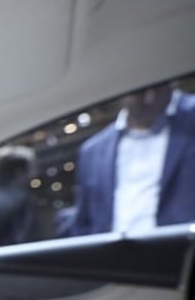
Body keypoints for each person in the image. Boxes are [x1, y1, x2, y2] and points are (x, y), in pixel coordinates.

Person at [64, 84, 195, 236]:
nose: (149, 98)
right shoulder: (92, 151)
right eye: (139, 92)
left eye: (157, 88)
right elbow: (84, 223)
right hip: (117, 257)